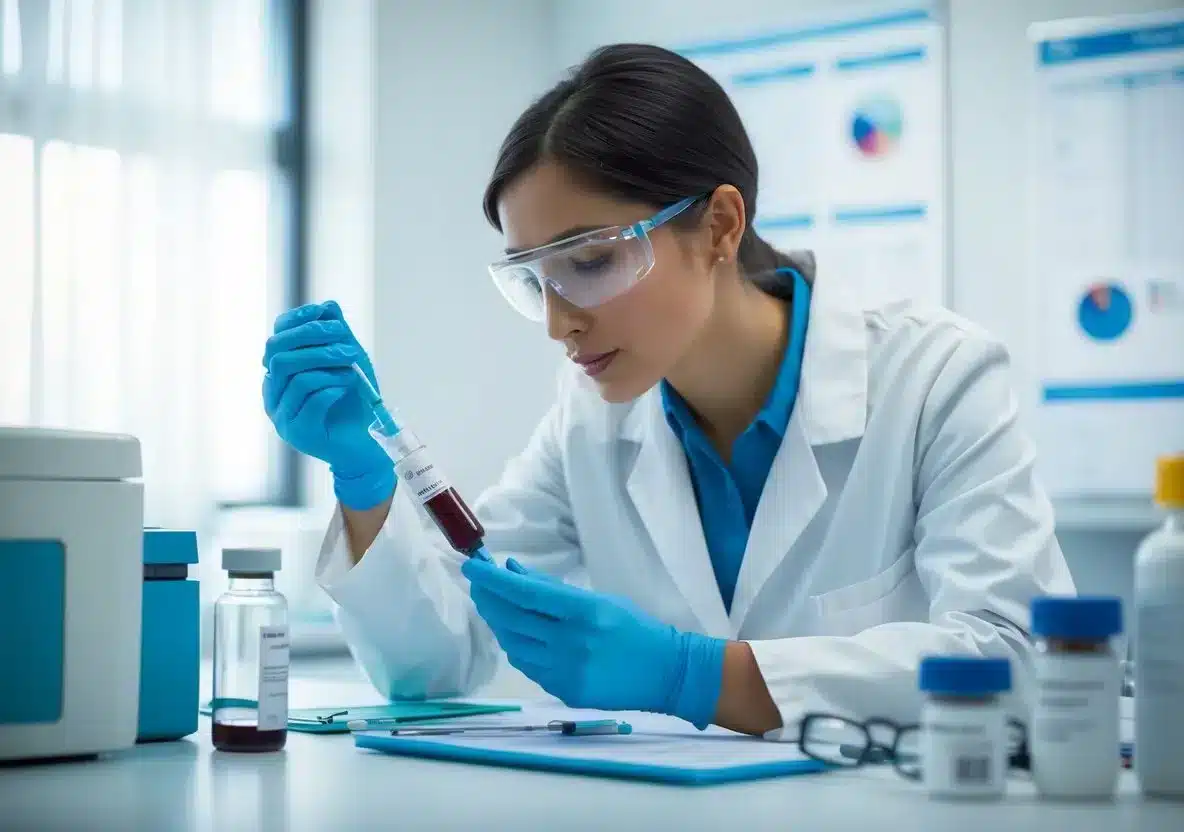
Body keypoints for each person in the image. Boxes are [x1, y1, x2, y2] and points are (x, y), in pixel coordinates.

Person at [262, 43, 1074, 739]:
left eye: (588, 261)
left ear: (719, 226)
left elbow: (1023, 660)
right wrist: (364, 482)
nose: (559, 325)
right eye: (534, 280)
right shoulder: (590, 421)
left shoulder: (934, 379)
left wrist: (694, 676)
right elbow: (436, 665)